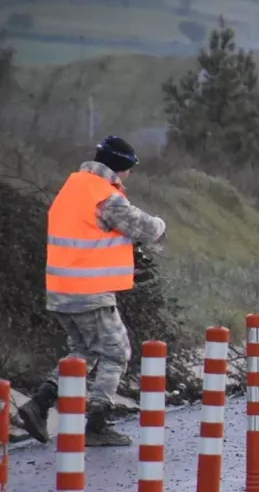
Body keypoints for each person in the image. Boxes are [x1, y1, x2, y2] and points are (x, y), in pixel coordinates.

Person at [17, 135, 167, 447]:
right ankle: (97, 424)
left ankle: (39, 404)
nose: (129, 176)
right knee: (116, 352)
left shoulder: (73, 186)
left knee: (82, 352)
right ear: (120, 167)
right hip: (89, 291)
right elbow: (146, 229)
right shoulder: (104, 195)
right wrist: (161, 225)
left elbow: (91, 239)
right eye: (129, 169)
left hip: (61, 288)